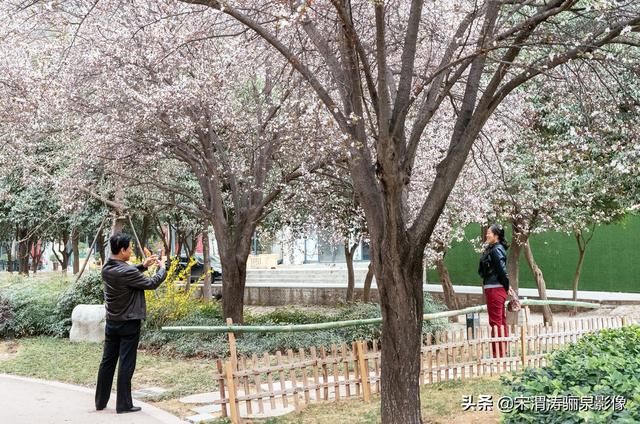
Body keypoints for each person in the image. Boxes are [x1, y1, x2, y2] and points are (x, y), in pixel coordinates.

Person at [95, 233, 167, 413]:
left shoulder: (106, 268)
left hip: (112, 323)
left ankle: (100, 401)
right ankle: (124, 404)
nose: (131, 251)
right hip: (129, 324)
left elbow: (127, 275)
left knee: (107, 362)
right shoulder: (127, 271)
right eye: (129, 248)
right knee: (126, 363)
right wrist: (162, 269)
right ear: (122, 250)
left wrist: (142, 266)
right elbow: (151, 283)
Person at [478, 224, 511, 358]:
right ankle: (502, 352)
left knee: (496, 322)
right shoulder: (494, 248)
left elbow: (502, 270)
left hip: (495, 288)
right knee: (500, 321)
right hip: (495, 287)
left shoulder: (496, 250)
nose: (487, 235)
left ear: (496, 235)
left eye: (489, 233)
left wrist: (507, 286)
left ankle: (498, 354)